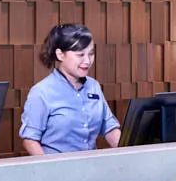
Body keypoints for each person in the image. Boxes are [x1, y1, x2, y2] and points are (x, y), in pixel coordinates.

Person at [20, 23, 122, 155]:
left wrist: (131, 152)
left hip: (91, 165)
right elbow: (30, 140)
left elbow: (109, 127)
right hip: (57, 166)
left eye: (91, 54)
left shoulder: (94, 86)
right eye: (80, 55)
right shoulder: (41, 92)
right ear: (60, 55)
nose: (87, 61)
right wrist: (48, 166)